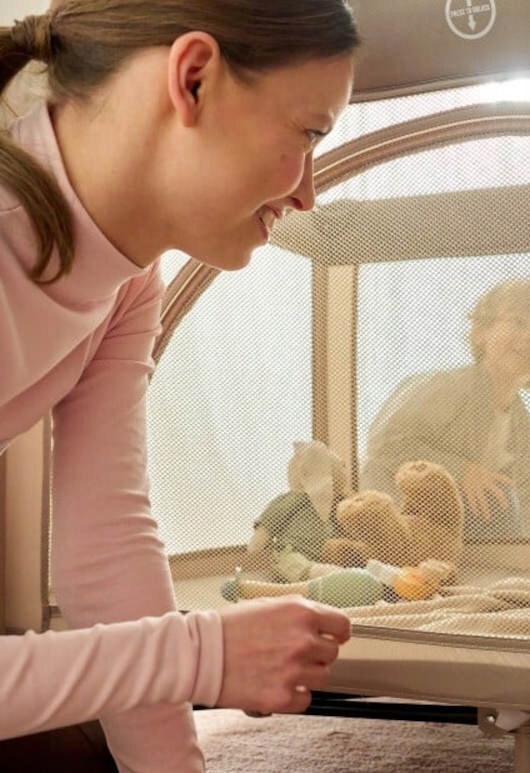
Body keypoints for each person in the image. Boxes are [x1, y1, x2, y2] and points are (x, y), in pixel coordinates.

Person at [0, 1, 360, 770]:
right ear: (193, 78)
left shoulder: (129, 283)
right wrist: (198, 655)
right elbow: (163, 645)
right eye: (309, 133)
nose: (307, 194)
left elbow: (107, 545)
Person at [359, 277, 530, 541]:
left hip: (461, 543)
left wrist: (524, 555)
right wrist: (461, 471)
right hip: (392, 530)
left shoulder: (523, 427)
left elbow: (523, 509)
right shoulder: (446, 387)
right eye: (518, 322)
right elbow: (383, 443)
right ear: (482, 332)